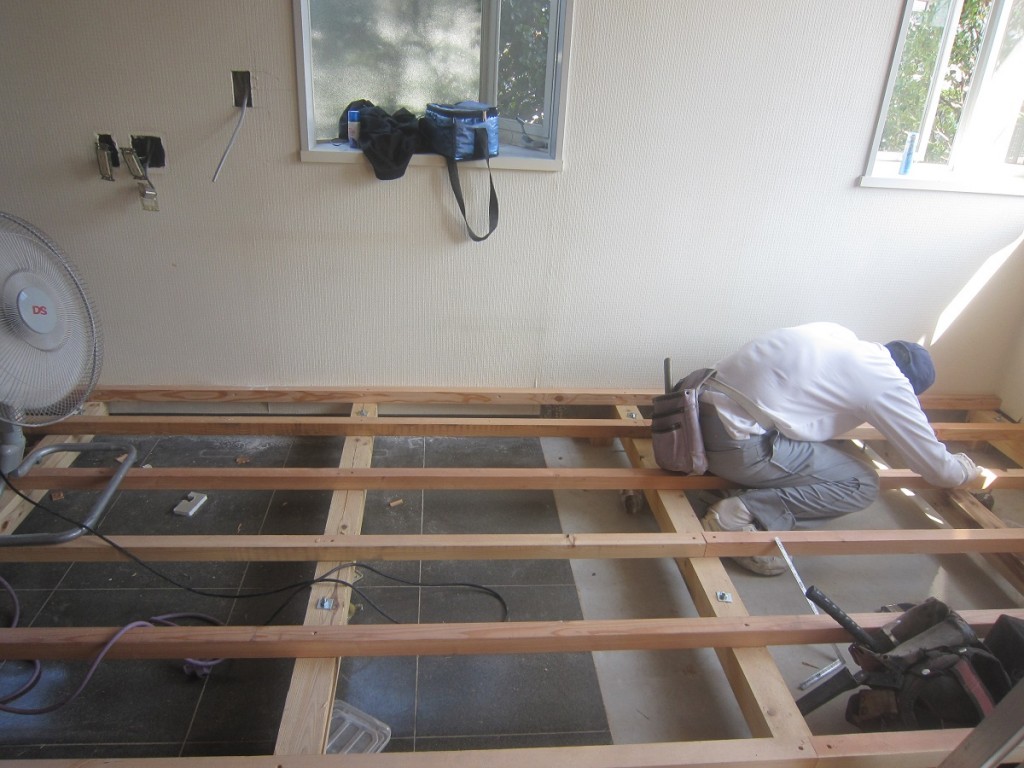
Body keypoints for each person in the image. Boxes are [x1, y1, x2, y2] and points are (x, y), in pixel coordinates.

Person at [698, 322, 982, 576]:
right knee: (862, 483)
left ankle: (750, 488)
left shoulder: (835, 334)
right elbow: (939, 471)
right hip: (732, 446)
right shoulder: (887, 381)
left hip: (692, 419)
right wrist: (968, 471)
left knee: (814, 442)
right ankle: (736, 515)